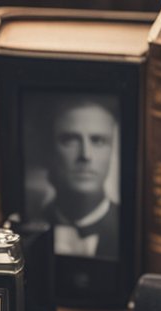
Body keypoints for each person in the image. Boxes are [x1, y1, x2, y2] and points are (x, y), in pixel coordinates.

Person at [37, 97, 119, 260]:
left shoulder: (133, 229)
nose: (85, 155)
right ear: (50, 151)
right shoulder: (31, 223)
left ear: (112, 152)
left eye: (98, 141)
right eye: (70, 140)